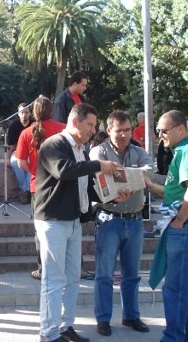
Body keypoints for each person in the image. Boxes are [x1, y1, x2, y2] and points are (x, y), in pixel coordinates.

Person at [34, 103, 119, 342]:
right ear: (75, 121)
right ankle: (48, 334)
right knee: (53, 279)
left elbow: (86, 187)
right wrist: (99, 164)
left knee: (72, 277)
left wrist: (111, 195)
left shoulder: (80, 148)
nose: (94, 129)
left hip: (72, 221)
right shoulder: (54, 144)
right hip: (52, 221)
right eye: (90, 124)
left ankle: (65, 326)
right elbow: (65, 171)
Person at [144, 110, 188, 342]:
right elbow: (178, 191)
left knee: (177, 287)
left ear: (181, 129)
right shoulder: (185, 151)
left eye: (164, 130)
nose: (160, 135)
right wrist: (151, 186)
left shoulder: (187, 153)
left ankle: (172, 337)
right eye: (158, 131)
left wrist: (179, 221)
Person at [89, 111, 154, 337]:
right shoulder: (99, 151)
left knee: (132, 274)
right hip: (109, 220)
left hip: (135, 221)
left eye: (128, 130)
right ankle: (103, 319)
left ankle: (131, 316)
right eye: (119, 131)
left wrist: (123, 178)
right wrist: (133, 178)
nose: (124, 135)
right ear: (109, 131)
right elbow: (96, 174)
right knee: (104, 274)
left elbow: (150, 170)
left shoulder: (139, 151)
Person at [15, 96, 65, 280]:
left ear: (33, 112)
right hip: (62, 184)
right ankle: (73, 266)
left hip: (39, 186)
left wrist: (35, 171)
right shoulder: (62, 128)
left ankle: (43, 268)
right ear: (51, 111)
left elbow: (21, 163)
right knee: (66, 227)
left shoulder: (27, 132)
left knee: (41, 229)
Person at [6, 102, 34, 204]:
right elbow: (10, 144)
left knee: (32, 163)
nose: (24, 114)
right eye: (22, 112)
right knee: (14, 163)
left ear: (30, 113)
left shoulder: (34, 124)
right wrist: (7, 158)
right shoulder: (13, 125)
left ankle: (24, 190)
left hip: (32, 152)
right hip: (17, 151)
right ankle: (27, 190)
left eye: (26, 112)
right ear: (18, 113)